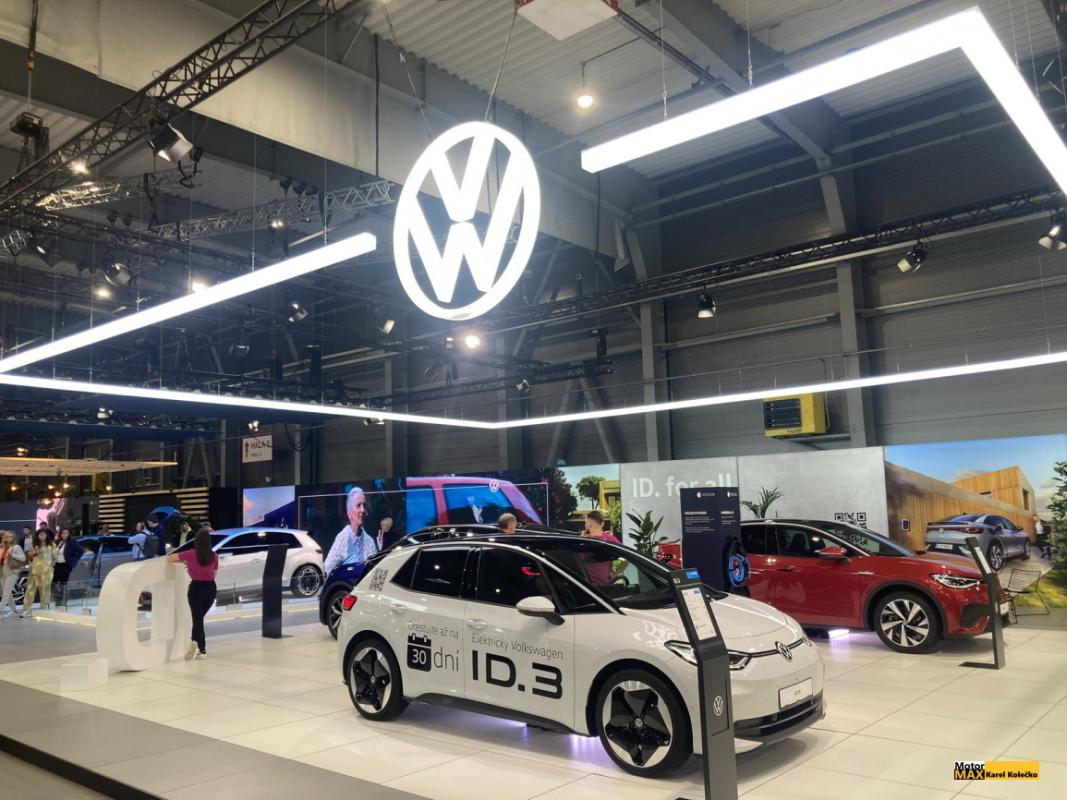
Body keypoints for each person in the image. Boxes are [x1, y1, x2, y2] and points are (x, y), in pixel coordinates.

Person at [167, 527, 218, 660]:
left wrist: (185, 561)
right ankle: (198, 645)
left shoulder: (190, 554)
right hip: (211, 589)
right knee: (199, 619)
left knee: (197, 619)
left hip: (196, 588)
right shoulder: (214, 556)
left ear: (196, 541)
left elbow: (169, 558)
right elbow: (214, 574)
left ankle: (199, 646)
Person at [324, 487, 378, 575]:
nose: (363, 510)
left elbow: (374, 573)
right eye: (358, 505)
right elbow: (327, 568)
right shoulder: (342, 538)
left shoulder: (370, 542)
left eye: (364, 505)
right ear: (349, 513)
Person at [581, 510, 623, 587]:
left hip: (586, 586)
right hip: (605, 586)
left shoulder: (583, 541)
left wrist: (581, 540)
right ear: (602, 523)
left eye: (585, 522)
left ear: (589, 525)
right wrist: (614, 574)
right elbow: (625, 559)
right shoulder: (610, 539)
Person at [21, 529, 57, 617]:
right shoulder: (34, 546)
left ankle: (44, 609)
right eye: (40, 535)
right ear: (37, 536)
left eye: (44, 534)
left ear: (47, 535)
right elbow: (29, 558)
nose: (42, 536)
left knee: (45, 590)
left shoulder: (52, 545)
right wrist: (35, 552)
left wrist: (51, 567)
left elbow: (54, 557)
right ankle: (26, 610)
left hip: (46, 571)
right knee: (30, 590)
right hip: (34, 570)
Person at [52, 528, 84, 607]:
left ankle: (63, 603)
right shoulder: (59, 542)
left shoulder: (72, 542)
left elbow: (81, 551)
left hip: (66, 565)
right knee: (53, 582)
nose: (64, 535)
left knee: (63, 583)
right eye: (62, 533)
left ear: (69, 534)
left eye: (66, 533)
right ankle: (59, 596)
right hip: (57, 565)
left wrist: (74, 560)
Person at [0, 531, 27, 617]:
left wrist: (13, 555)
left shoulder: (16, 547)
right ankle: (14, 611)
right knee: (6, 593)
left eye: (11, 537)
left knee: (6, 593)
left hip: (12, 572)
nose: (9, 538)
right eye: (7, 537)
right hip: (3, 572)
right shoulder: (3, 547)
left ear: (14, 538)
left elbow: (23, 558)